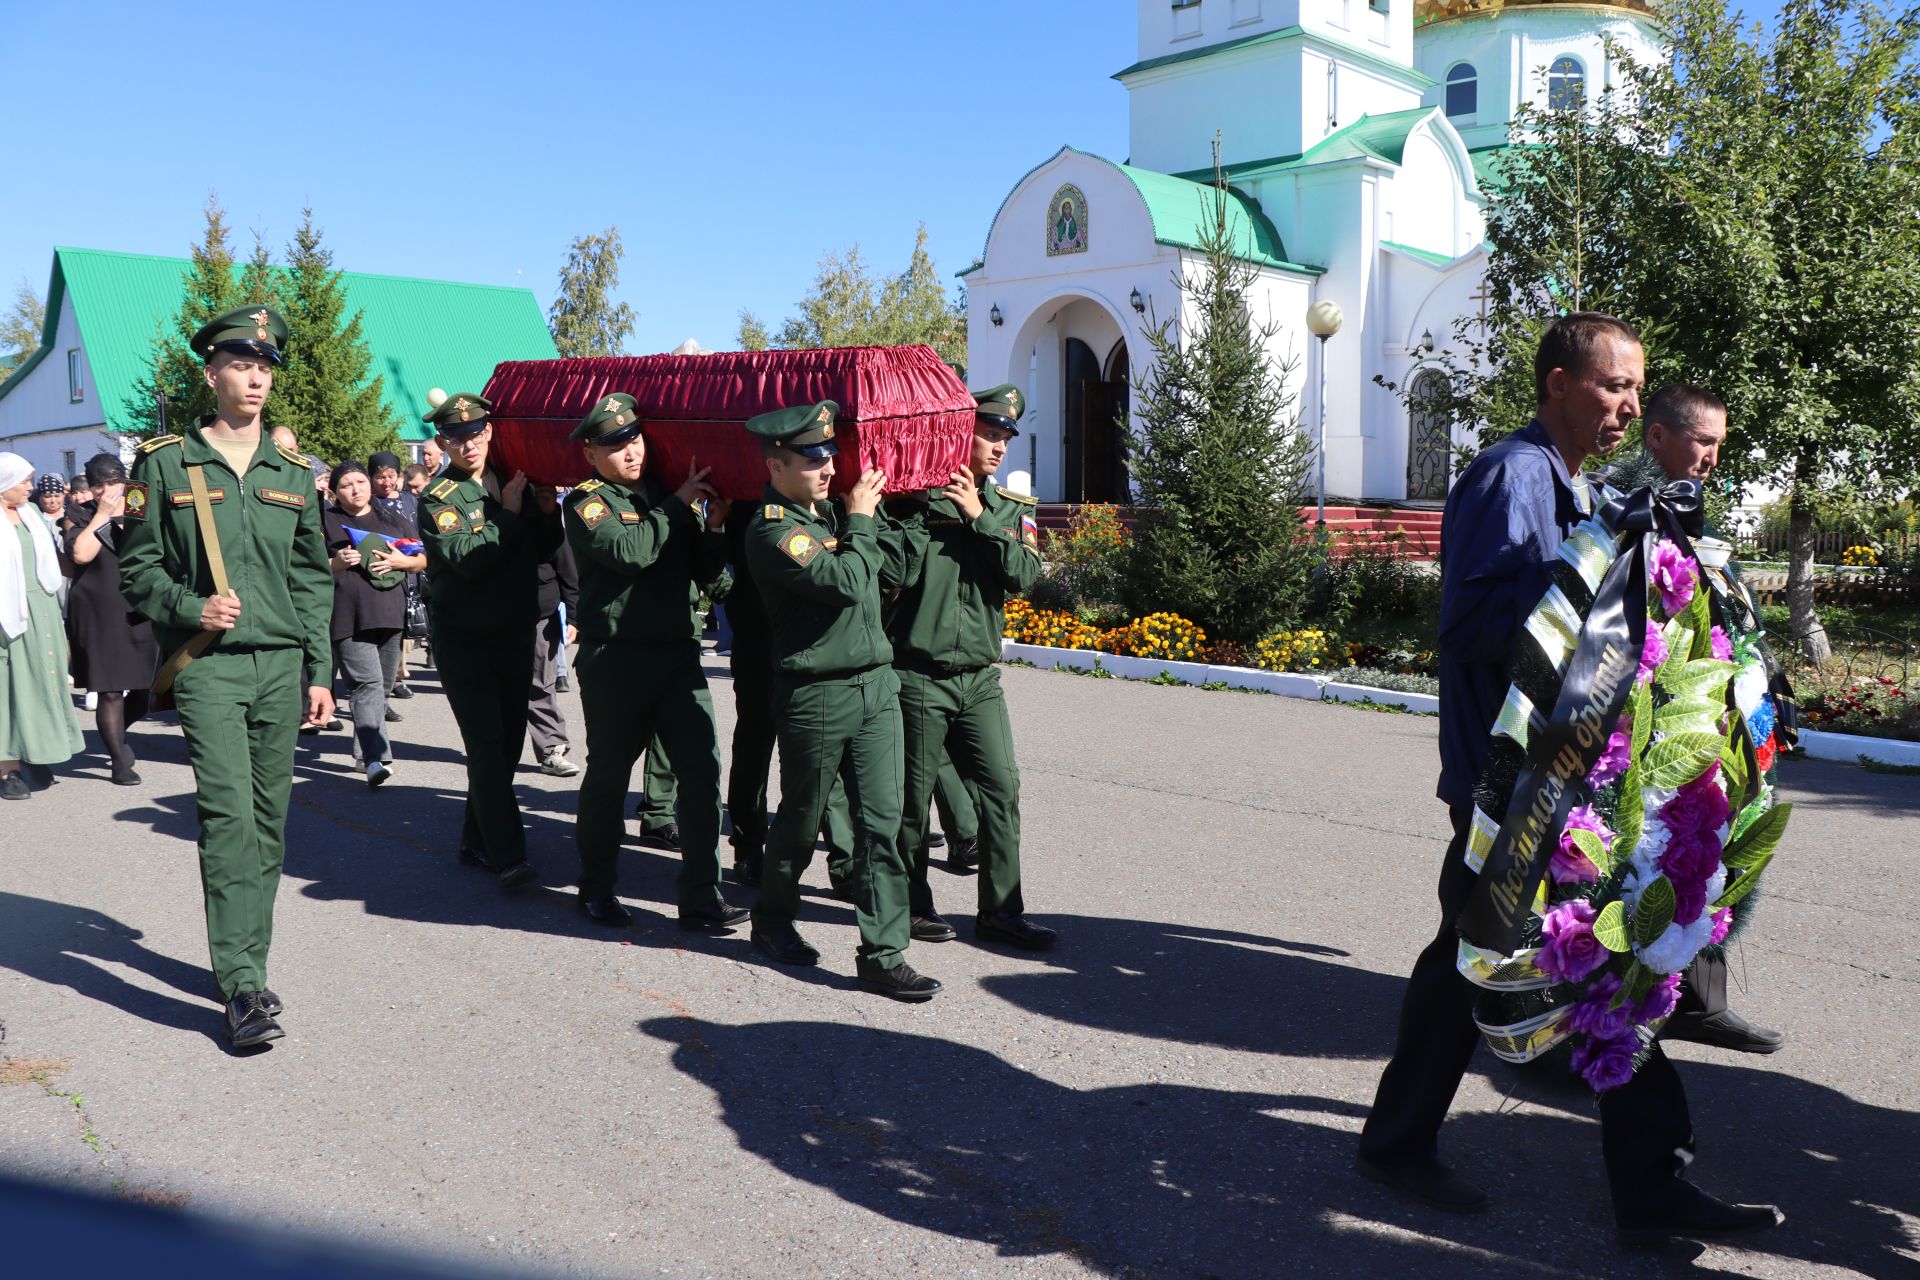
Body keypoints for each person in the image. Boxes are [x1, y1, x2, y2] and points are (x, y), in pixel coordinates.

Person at [1355, 313, 1781, 1244]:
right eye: (1612, 385)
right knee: (1555, 965)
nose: (1629, 405)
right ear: (1557, 384)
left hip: (1555, 778)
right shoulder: (1515, 474)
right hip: (1513, 784)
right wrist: (1593, 587)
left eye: (1635, 388)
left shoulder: (1575, 481)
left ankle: (1409, 1143)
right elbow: (1473, 627)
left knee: (1470, 963)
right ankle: (1637, 1189)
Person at [117, 304, 335, 1051]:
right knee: (228, 819)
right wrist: (190, 605)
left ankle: (248, 963)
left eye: (266, 368)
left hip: (280, 667)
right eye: (242, 365)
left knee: (269, 826)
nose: (255, 379)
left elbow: (311, 580)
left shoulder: (294, 474)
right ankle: (241, 987)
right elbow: (138, 568)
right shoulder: (167, 462)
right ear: (211, 373)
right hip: (208, 669)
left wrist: (319, 671)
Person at [1595, 383, 1784, 1055]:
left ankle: (1700, 1000)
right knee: (1640, 857)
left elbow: (1728, 620)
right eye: (1701, 441)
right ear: (1658, 437)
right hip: (1647, 720)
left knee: (1708, 843)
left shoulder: (1697, 518)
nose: (1710, 458)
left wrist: (1763, 691)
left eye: (1717, 445)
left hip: (1711, 714)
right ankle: (1595, 1002)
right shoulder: (1625, 510)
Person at [744, 400, 939, 1002]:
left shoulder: (834, 516)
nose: (827, 468)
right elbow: (848, 583)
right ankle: (773, 919)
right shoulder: (772, 529)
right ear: (776, 464)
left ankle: (882, 953)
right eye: (812, 458)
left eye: (830, 455)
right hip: (818, 694)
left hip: (877, 684)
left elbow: (896, 573)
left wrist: (892, 512)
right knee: (802, 821)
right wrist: (858, 521)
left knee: (883, 824)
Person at [562, 392, 750, 932]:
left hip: (676, 657)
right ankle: (596, 888)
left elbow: (713, 580)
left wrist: (712, 527)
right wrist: (677, 505)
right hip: (615, 659)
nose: (629, 452)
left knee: (701, 774)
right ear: (590, 456)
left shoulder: (672, 499)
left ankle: (700, 894)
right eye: (614, 445)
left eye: (635, 440)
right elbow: (630, 552)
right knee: (609, 777)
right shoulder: (586, 502)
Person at [887, 385, 1055, 949]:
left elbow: (1024, 575)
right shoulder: (915, 502)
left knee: (1002, 789)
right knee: (911, 801)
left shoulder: (1010, 510)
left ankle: (1001, 911)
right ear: (961, 430)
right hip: (917, 674)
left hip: (980, 678)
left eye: (1007, 436)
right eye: (989, 433)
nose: (1000, 445)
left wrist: (980, 516)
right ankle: (912, 905)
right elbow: (893, 574)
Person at [416, 390, 561, 890]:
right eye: (456, 437)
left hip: (515, 633)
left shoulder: (511, 479)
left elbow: (543, 550)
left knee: (507, 748)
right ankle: (508, 855)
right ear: (442, 441)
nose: (468, 444)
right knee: (485, 744)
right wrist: (508, 512)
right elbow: (471, 558)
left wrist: (542, 511)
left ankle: (474, 839)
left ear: (490, 432)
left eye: (476, 433)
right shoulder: (439, 499)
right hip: (466, 640)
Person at [718, 502, 860, 891]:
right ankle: (748, 845)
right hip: (761, 639)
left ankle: (845, 861)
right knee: (754, 744)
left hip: (818, 645)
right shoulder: (753, 507)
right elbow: (730, 561)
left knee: (824, 750)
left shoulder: (837, 502)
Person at [322, 460, 424, 787]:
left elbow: (421, 556)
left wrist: (402, 561)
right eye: (347, 485)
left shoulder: (390, 516)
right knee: (366, 685)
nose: (356, 489)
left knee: (380, 688)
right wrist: (335, 563)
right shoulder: (324, 520)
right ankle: (375, 758)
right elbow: (303, 567)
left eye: (360, 482)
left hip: (390, 612)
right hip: (347, 616)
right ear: (335, 492)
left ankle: (361, 750)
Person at [64, 453, 157, 785]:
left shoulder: (139, 504)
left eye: (114, 481)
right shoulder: (79, 513)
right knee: (111, 690)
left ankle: (118, 733)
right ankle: (119, 759)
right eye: (100, 484)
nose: (108, 490)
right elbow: (80, 553)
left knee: (150, 688)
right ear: (90, 487)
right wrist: (102, 514)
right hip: (97, 608)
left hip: (140, 605)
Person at [0, 454, 86, 799]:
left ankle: (33, 753)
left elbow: (54, 561)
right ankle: (7, 768)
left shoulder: (30, 514)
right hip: (9, 612)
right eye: (24, 481)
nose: (30, 488)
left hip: (43, 606)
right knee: (10, 688)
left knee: (41, 683)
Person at [528, 523, 581, 777]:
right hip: (495, 618)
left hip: (540, 617)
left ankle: (551, 750)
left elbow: (568, 572)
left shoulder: (545, 522)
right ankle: (492, 752)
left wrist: (573, 617)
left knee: (541, 685)